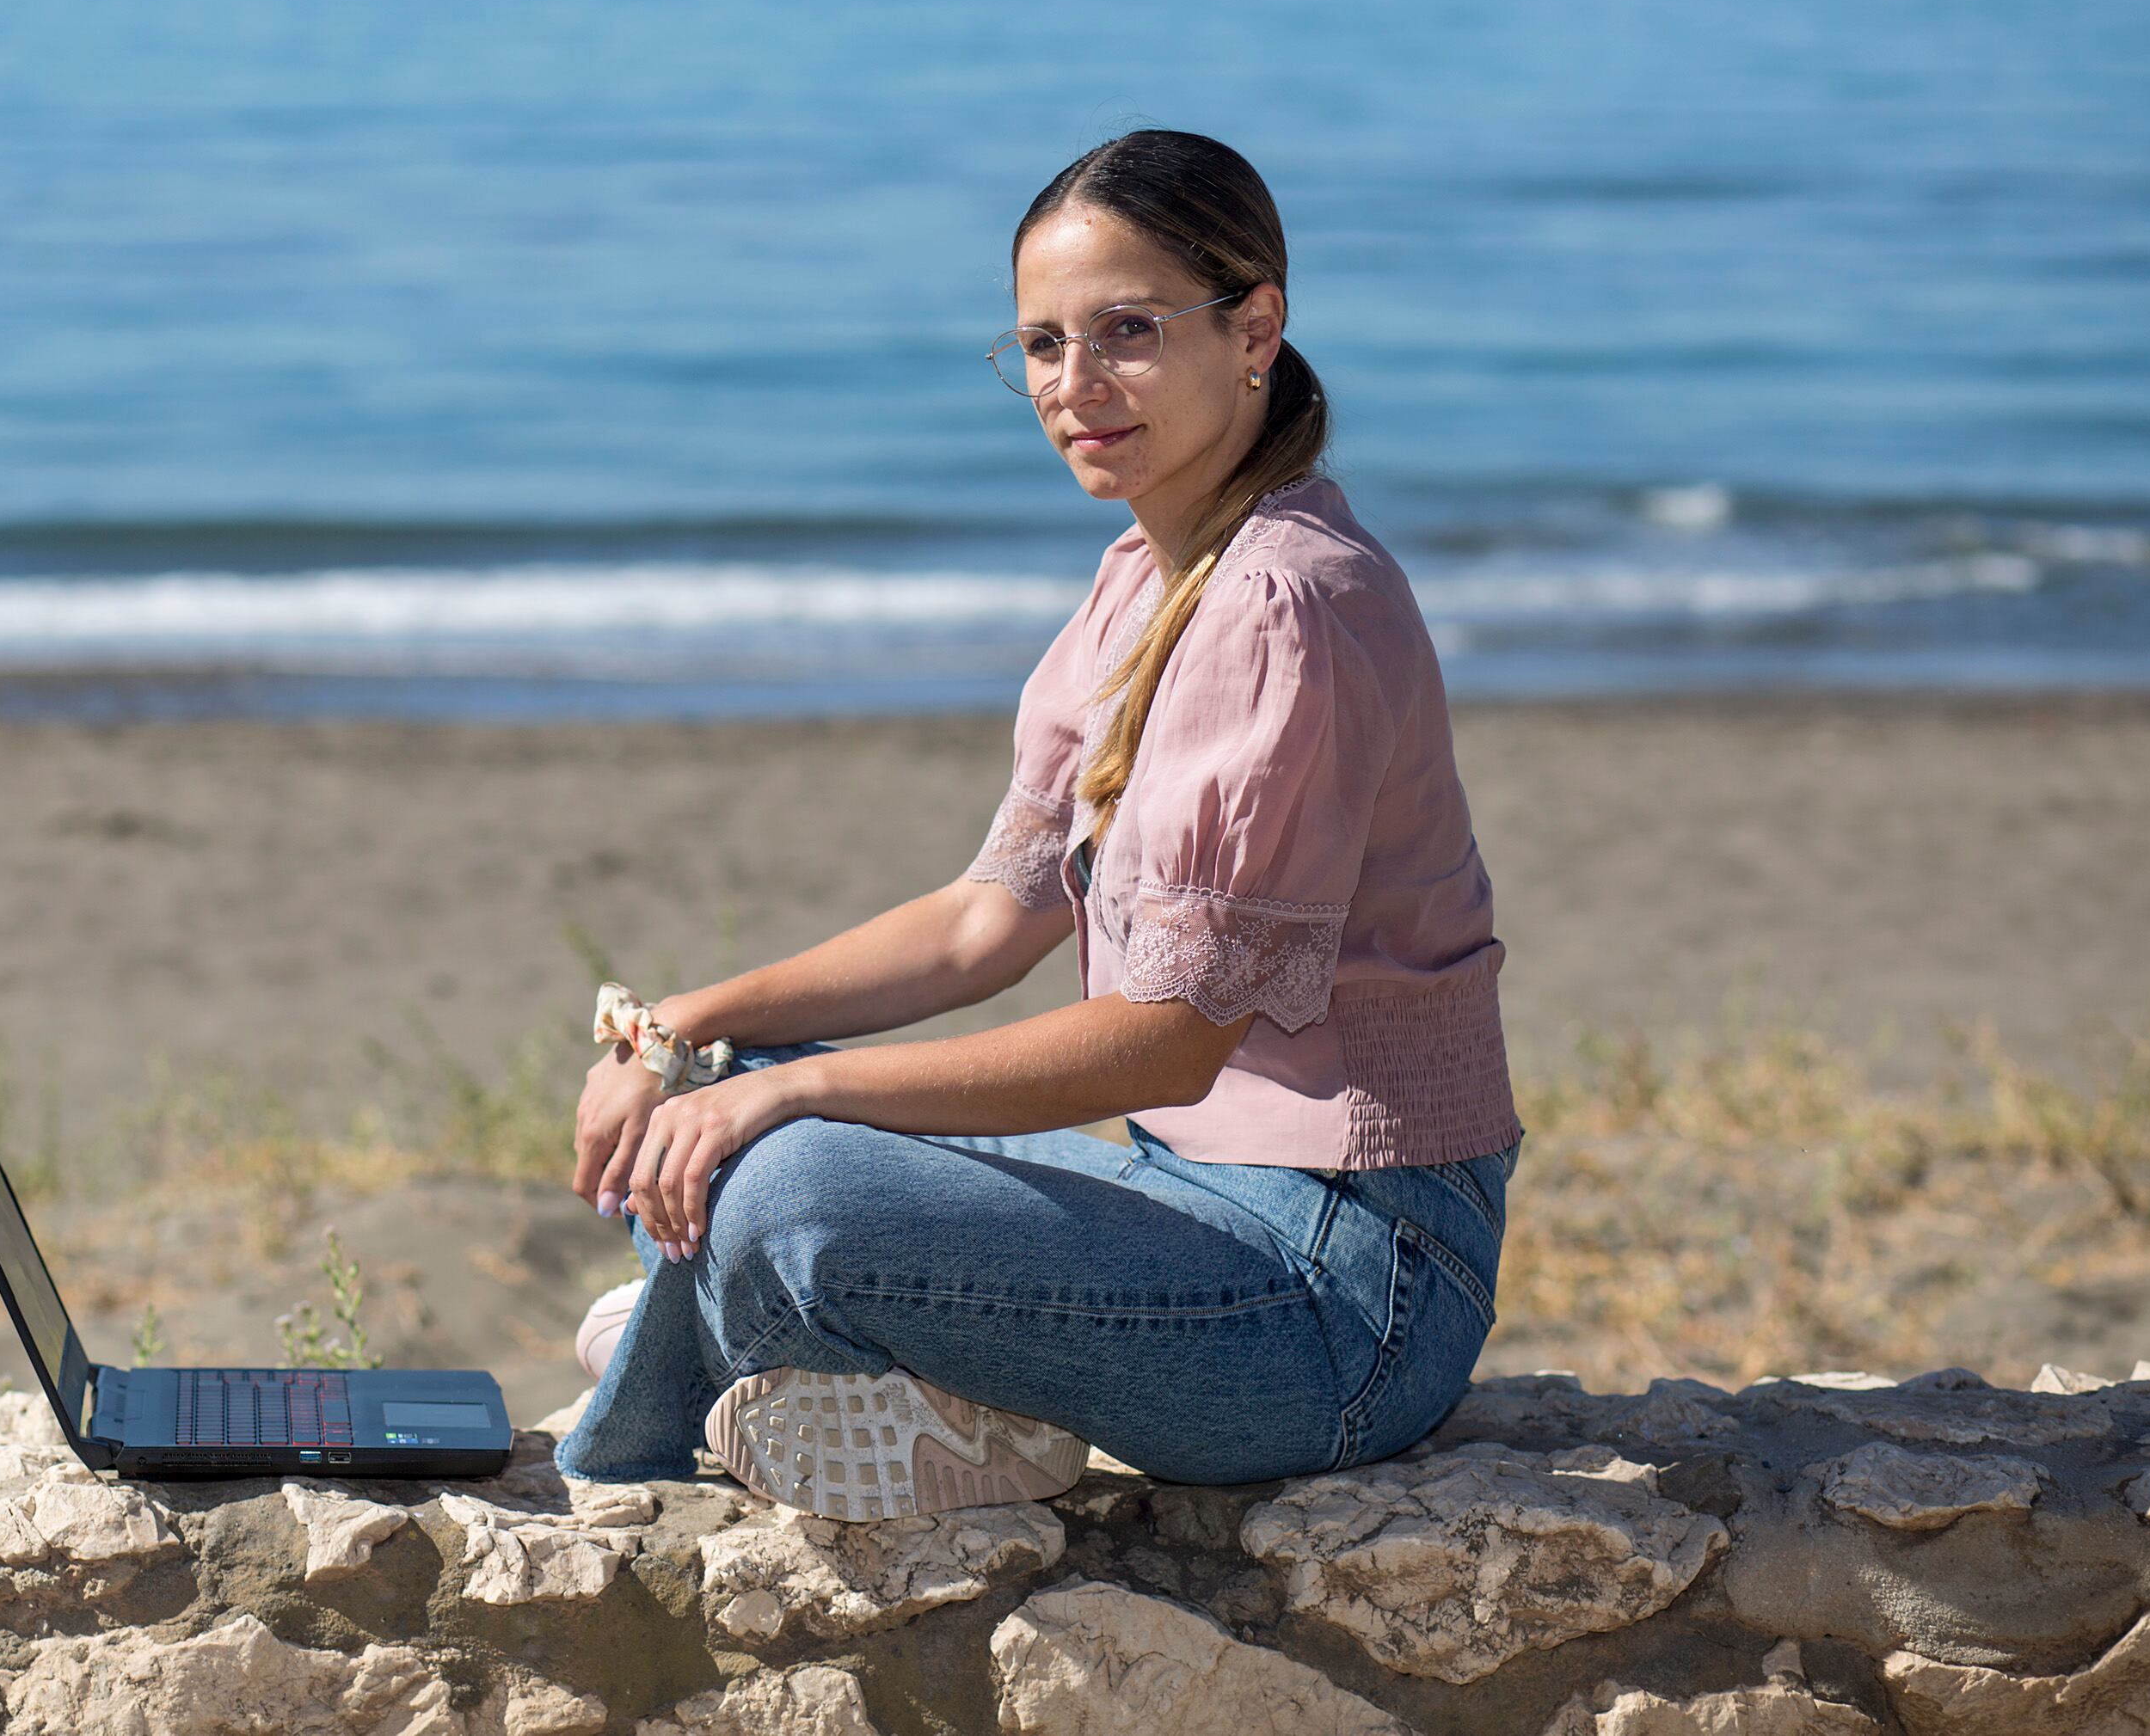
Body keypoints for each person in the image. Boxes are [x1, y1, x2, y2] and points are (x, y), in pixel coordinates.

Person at [554, 130, 1519, 1518]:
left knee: (786, 1186)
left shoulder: (1285, 605)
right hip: (1200, 1205)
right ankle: (781, 1357)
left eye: (1128, 332)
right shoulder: (1146, 574)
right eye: (1044, 344)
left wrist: (793, 1090)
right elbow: (982, 920)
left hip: (1346, 1301)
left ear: (1257, 326)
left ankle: (717, 1350)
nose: (1075, 388)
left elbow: (1168, 1041)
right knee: (736, 1086)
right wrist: (682, 1034)